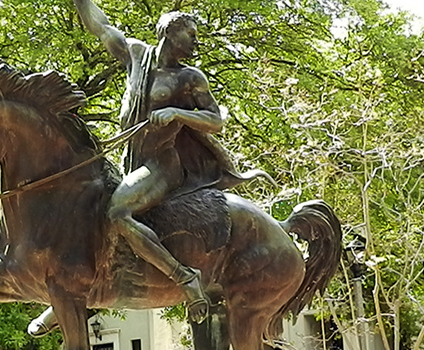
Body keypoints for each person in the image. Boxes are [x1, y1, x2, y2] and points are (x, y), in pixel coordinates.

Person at [29, 0, 266, 337]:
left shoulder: (189, 78)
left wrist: (178, 114)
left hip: (162, 166)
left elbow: (216, 121)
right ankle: (64, 299)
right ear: (170, 32)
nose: (196, 43)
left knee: (117, 213)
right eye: (191, 35)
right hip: (131, 164)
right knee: (83, 214)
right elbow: (102, 27)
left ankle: (185, 278)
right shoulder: (137, 56)